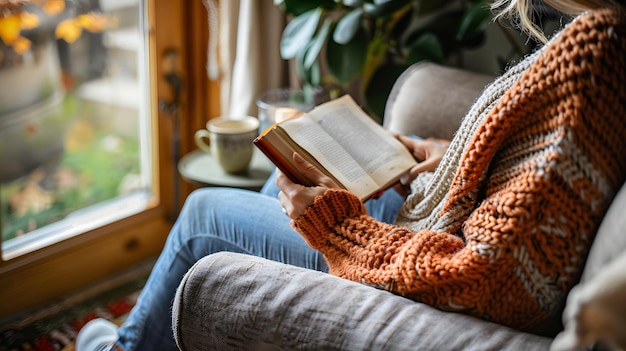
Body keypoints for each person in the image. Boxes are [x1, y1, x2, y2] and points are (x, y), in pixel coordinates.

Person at [76, 0, 626, 350]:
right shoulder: (597, 46)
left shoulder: (596, 53)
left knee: (202, 216)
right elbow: (534, 175)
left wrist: (331, 225)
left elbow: (488, 281)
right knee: (285, 176)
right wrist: (444, 154)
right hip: (438, 218)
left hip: (428, 263)